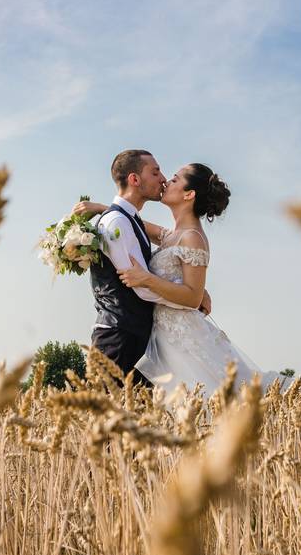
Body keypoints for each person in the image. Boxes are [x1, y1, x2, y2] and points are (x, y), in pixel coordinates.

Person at [75, 162, 278, 396]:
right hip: (160, 335)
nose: (165, 181)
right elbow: (137, 224)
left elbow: (192, 298)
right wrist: (104, 208)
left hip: (182, 337)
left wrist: (147, 279)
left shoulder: (192, 238)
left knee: (204, 397)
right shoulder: (173, 236)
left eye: (174, 179)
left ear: (189, 194)